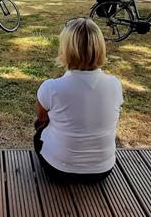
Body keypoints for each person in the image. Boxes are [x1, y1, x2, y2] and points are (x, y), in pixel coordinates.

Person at [34, 17, 123, 183]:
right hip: (103, 170)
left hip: (59, 169)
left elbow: (41, 118)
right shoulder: (115, 85)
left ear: (65, 49)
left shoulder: (52, 87)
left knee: (39, 130)